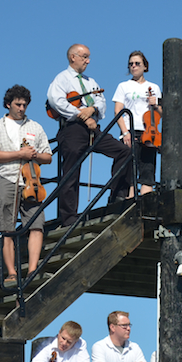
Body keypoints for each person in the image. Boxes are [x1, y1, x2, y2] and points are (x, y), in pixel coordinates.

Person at [48, 44, 133, 226]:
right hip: (73, 129)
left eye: (88, 57)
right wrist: (81, 115)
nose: (88, 60)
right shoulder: (61, 79)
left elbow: (101, 103)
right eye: (84, 56)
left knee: (124, 152)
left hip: (93, 128)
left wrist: (92, 109)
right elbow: (56, 101)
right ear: (73, 57)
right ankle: (69, 217)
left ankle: (116, 196)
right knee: (71, 171)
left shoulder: (90, 82)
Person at [0, 84, 52, 285]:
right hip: (7, 178)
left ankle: (32, 269)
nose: (22, 108)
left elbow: (48, 156)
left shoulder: (35, 127)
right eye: (18, 104)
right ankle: (12, 272)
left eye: (25, 105)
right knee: (7, 227)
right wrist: (19, 154)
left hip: (32, 180)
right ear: (8, 104)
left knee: (36, 223)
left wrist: (35, 155)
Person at [113, 51, 161, 196]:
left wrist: (156, 104)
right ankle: (131, 204)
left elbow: (162, 114)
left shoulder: (154, 87)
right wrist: (125, 132)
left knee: (148, 170)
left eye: (137, 63)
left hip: (149, 132)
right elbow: (118, 111)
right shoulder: (123, 86)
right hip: (131, 130)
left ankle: (147, 204)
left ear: (145, 66)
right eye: (131, 64)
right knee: (130, 170)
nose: (133, 66)